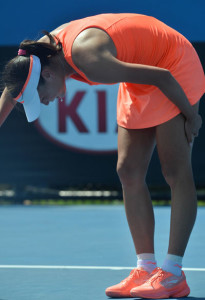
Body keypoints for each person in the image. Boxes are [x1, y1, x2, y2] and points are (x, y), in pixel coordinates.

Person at [0, 13, 205, 299]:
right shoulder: (37, 57)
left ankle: (173, 274)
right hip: (145, 72)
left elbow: (162, 76)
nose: (45, 103)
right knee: (128, 171)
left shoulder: (90, 61)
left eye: (41, 97)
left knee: (174, 170)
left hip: (172, 66)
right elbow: (14, 88)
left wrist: (191, 115)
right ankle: (145, 268)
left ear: (47, 75)